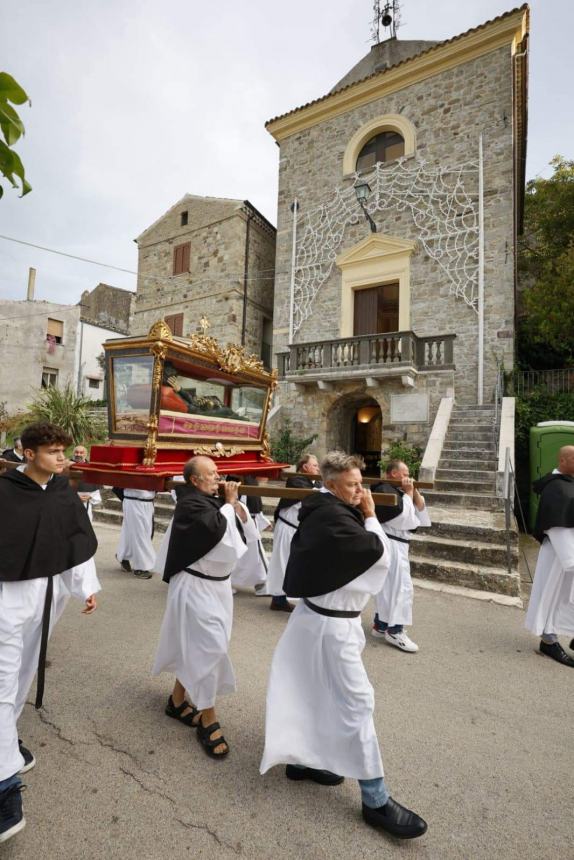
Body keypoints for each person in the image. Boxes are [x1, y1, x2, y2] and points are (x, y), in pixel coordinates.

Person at [260, 452, 427, 840]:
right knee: (357, 703)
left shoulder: (323, 509)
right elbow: (380, 557)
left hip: (321, 621)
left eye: (360, 484)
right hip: (329, 627)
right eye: (353, 485)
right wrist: (370, 514)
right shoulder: (333, 516)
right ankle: (376, 800)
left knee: (313, 693)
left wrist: (364, 510)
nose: (361, 491)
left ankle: (303, 762)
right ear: (332, 485)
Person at [0, 422, 100, 844]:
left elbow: (73, 537)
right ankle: (5, 787)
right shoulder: (4, 492)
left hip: (47, 595)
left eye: (64, 451)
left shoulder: (61, 489)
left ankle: (7, 735)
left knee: (23, 672)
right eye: (54, 451)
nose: (63, 458)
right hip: (7, 596)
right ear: (28, 453)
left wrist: (86, 586)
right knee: (3, 680)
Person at [152, 456, 258, 758]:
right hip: (196, 586)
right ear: (195, 481)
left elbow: (242, 535)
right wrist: (229, 501)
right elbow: (218, 535)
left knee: (198, 646)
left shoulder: (212, 501)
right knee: (210, 648)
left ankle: (176, 701)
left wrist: (235, 505)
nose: (218, 477)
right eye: (211, 474)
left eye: (217, 472)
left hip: (219, 588)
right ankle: (208, 715)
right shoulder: (190, 505)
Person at [371, 460, 431, 653]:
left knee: (389, 588)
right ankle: (395, 631)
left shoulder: (400, 490)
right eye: (405, 473)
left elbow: (420, 513)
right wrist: (407, 493)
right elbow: (404, 520)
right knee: (401, 588)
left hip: (398, 545)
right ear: (393, 473)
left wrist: (414, 492)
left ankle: (381, 625)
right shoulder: (384, 489)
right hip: (392, 543)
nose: (408, 476)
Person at [525, 445, 574, 667]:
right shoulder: (555, 488)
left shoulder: (567, 482)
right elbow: (556, 523)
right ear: (563, 460)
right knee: (552, 595)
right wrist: (570, 559)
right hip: (560, 555)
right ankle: (549, 640)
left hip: (568, 553)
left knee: (564, 597)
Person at [266, 454, 321, 612]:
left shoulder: (316, 481)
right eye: (315, 465)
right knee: (282, 563)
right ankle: (278, 599)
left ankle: (300, 598)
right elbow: (312, 493)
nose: (318, 468)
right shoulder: (296, 479)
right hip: (287, 527)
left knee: (300, 564)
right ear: (305, 467)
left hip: (299, 529)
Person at [229, 475, 271, 595]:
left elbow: (255, 503)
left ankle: (262, 584)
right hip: (237, 520)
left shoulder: (251, 479)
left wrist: (262, 519)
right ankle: (226, 582)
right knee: (234, 553)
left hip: (250, 520)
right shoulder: (234, 476)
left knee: (255, 554)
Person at [115, 487, 157, 579]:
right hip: (133, 501)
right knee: (139, 534)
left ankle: (123, 555)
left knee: (135, 532)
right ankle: (141, 567)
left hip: (147, 501)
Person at [70, 445, 101, 522]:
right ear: (73, 453)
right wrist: (74, 497)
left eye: (81, 453)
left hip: (85, 504)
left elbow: (95, 492)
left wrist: (90, 497)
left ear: (85, 454)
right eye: (76, 452)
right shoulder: (65, 467)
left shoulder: (90, 469)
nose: (79, 454)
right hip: (68, 504)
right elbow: (59, 488)